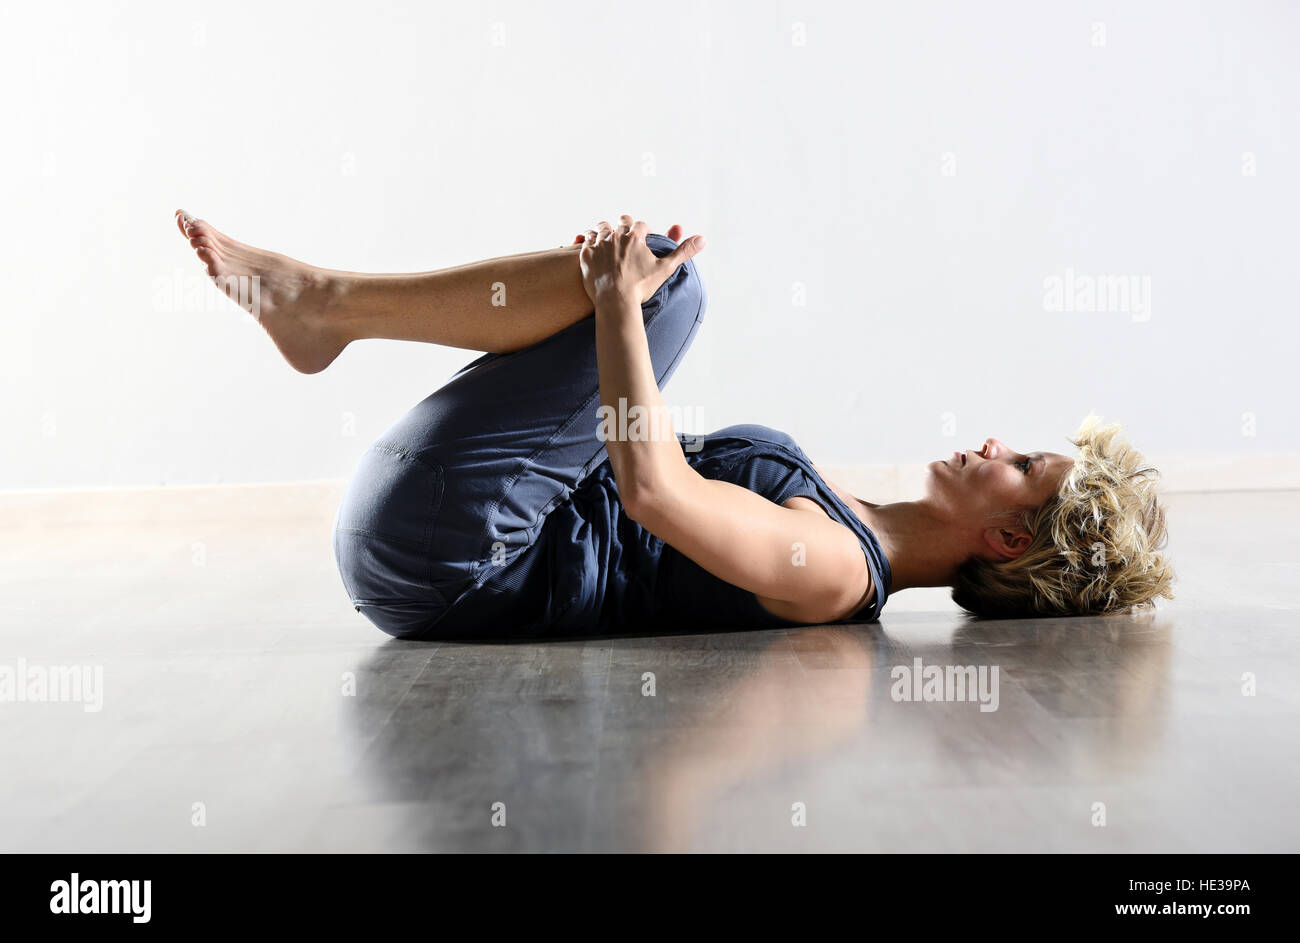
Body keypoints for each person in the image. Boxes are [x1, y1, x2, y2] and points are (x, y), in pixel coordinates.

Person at [173, 209, 1175, 638]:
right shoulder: (852, 516)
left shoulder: (833, 568)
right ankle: (324, 311)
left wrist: (617, 302)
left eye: (1024, 465)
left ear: (1005, 537)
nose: (994, 443)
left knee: (663, 285)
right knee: (664, 277)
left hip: (457, 556)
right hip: (438, 530)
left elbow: (652, 492)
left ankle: (325, 307)